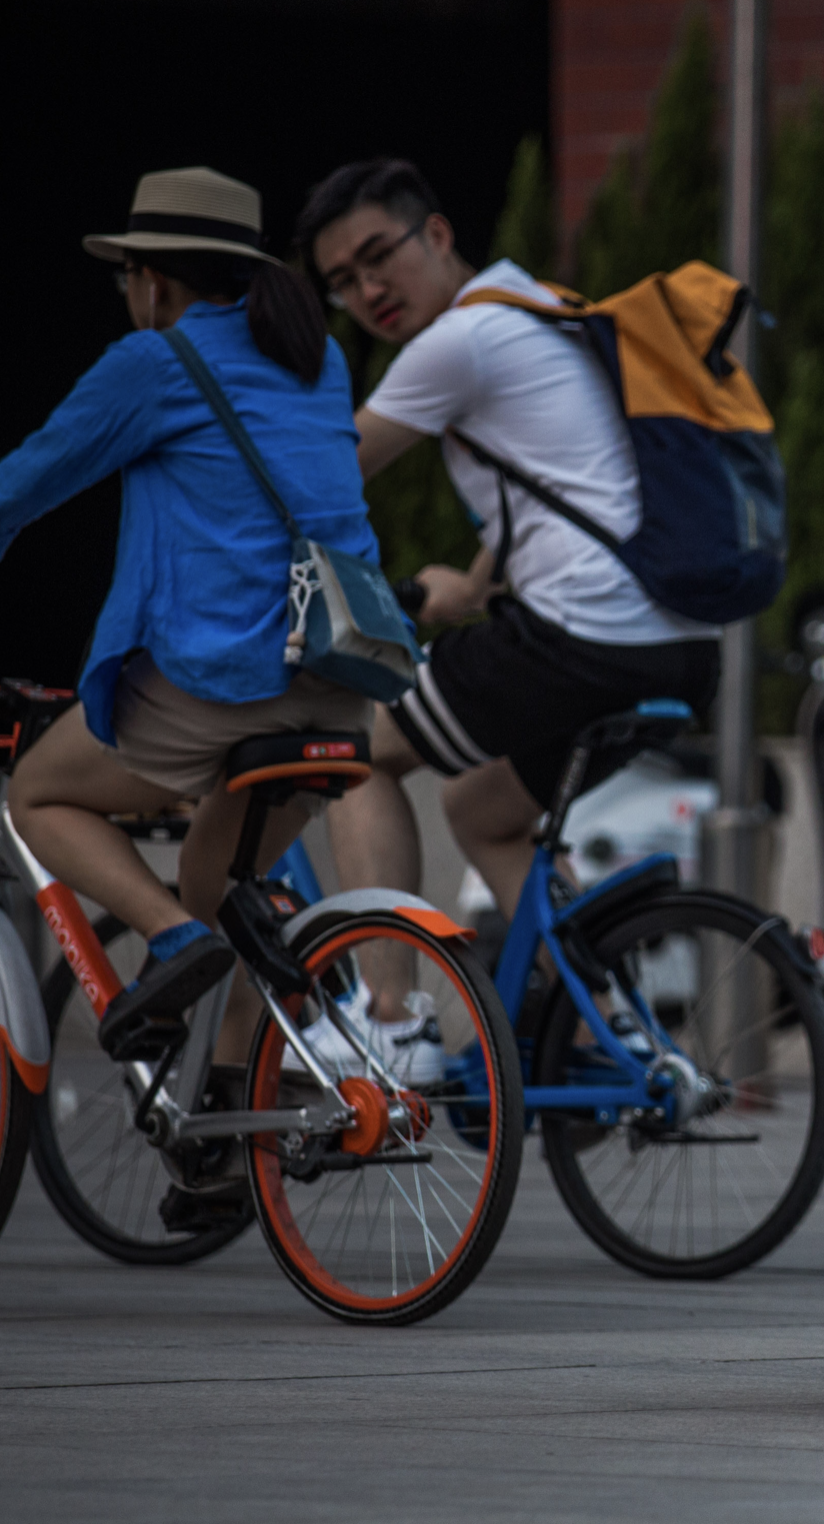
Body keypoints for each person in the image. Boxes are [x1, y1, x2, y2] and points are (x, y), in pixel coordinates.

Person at [0, 167, 379, 1063]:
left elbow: (26, 483)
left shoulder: (157, 363)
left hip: (226, 686)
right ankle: (231, 1133)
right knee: (219, 887)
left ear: (153, 280)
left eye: (128, 279)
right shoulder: (319, 359)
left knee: (37, 790)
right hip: (343, 684)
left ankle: (171, 941)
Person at [295, 159, 721, 1039]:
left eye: (380, 256)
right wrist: (476, 585)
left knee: (355, 749)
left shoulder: (455, 344)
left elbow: (319, 475)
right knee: (480, 809)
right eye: (343, 283)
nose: (370, 289)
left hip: (584, 636)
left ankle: (389, 1025)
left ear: (438, 234)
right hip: (676, 639)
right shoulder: (539, 307)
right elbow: (572, 483)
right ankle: (602, 1028)